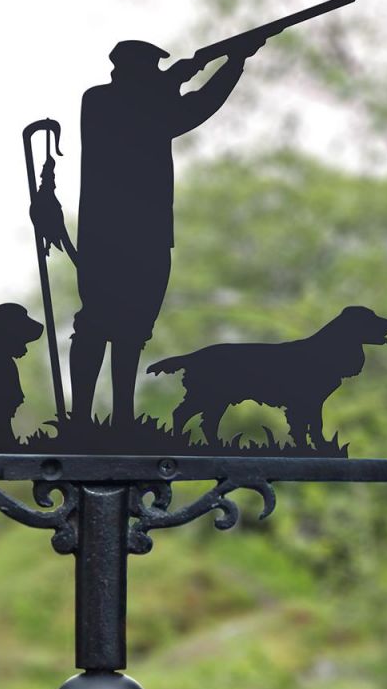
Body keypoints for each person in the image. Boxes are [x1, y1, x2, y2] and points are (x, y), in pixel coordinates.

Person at [69, 35, 264, 429]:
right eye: (153, 68)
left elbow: (193, 109)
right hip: (109, 235)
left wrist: (232, 65)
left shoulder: (148, 101)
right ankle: (80, 420)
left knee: (134, 328)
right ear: (132, 70)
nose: (160, 73)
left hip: (149, 234)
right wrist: (188, 76)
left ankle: (122, 416)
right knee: (95, 325)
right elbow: (169, 112)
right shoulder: (101, 101)